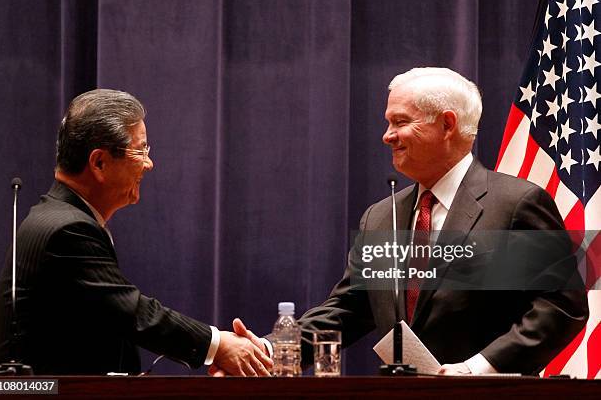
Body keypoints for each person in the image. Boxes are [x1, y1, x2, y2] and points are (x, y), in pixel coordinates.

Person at [227, 67, 589, 376]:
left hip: (487, 396)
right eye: (388, 123)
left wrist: (473, 369)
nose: (387, 136)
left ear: (447, 124)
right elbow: (348, 310)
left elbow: (560, 306)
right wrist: (271, 351)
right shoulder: (381, 217)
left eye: (400, 122)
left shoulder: (515, 204)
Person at [0, 89, 272, 376]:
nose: (149, 164)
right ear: (99, 163)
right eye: (140, 151)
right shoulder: (67, 229)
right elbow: (134, 313)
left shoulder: (62, 216)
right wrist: (218, 345)